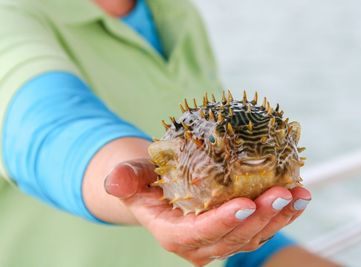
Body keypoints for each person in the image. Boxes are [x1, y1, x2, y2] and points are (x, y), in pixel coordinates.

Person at [0, 0, 340, 266]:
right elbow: (48, 128)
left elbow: (218, 233)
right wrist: (134, 177)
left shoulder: (177, 13)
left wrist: (243, 231)